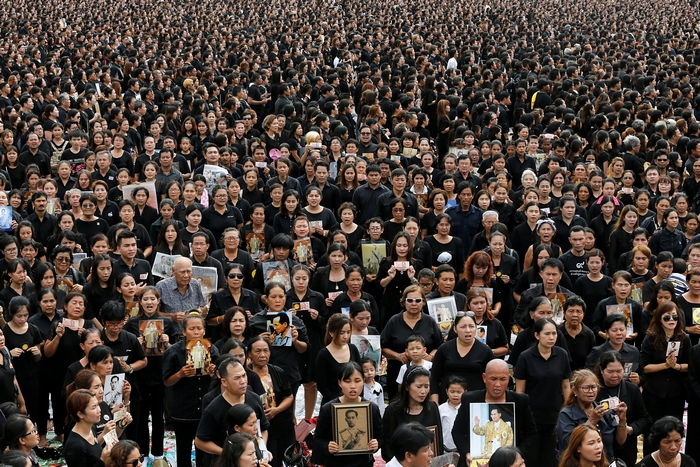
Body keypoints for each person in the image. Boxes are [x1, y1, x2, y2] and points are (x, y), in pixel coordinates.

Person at [162, 313, 219, 467]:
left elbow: (219, 379)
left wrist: (215, 372)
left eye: (199, 328)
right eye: (191, 328)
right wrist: (180, 374)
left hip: (206, 409)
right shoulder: (173, 352)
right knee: (183, 450)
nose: (196, 332)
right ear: (183, 331)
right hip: (183, 409)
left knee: (204, 451)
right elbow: (167, 381)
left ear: (204, 331)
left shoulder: (212, 349)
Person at [514, 318, 572, 467]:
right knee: (531, 457)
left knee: (549, 458)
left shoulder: (562, 355)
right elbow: (519, 391)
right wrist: (521, 415)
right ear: (537, 335)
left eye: (554, 333)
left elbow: (566, 385)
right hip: (532, 416)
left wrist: (567, 408)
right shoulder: (525, 357)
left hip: (554, 414)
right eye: (547, 334)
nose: (551, 337)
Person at [312, 362, 383, 467]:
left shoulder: (372, 408)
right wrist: (327, 447)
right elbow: (317, 439)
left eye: (357, 381)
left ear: (363, 381)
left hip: (363, 463)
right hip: (335, 463)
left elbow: (381, 436)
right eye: (347, 381)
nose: (353, 386)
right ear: (340, 383)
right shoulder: (328, 409)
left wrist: (376, 444)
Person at [640, 302, 691, 443]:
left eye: (674, 316)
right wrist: (665, 365)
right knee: (652, 430)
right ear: (659, 319)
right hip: (653, 391)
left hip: (676, 392)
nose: (671, 320)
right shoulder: (650, 338)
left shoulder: (684, 338)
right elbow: (644, 367)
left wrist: (676, 366)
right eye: (667, 317)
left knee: (674, 430)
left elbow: (690, 365)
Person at [381, 284, 442, 399]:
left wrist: (430, 356)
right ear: (403, 302)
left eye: (418, 300)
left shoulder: (430, 321)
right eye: (410, 300)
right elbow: (383, 347)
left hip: (425, 374)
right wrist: (397, 356)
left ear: (423, 302)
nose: (414, 304)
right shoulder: (394, 321)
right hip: (398, 371)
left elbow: (439, 345)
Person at [556, 369, 628, 463]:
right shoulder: (566, 414)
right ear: (575, 390)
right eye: (586, 388)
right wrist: (592, 421)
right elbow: (569, 444)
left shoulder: (603, 410)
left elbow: (620, 441)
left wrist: (622, 420)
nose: (591, 391)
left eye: (594, 387)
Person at [594, 351, 650, 467]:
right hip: (600, 447)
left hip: (626, 448)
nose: (615, 375)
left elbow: (645, 419)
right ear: (601, 370)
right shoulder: (594, 390)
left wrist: (630, 429)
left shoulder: (632, 389)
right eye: (610, 372)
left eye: (619, 371)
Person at [382, 365, 441, 462]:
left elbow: (437, 441)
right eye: (419, 386)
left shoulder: (432, 407)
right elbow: (387, 447)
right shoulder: (392, 410)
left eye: (426, 386)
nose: (423, 391)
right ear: (407, 387)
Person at [315, 313, 361, 403]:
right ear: (331, 332)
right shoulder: (323, 354)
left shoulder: (353, 349)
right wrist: (338, 401)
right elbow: (321, 385)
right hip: (332, 402)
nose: (346, 336)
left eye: (348, 332)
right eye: (342, 333)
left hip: (354, 400)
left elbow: (360, 375)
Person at [63, 389, 112, 467]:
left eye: (98, 405)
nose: (99, 410)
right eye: (93, 407)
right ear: (80, 414)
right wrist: (103, 460)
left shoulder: (91, 428)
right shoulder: (76, 446)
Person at [156, 257, 207, 323]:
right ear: (173, 271)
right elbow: (153, 313)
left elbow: (201, 306)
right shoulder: (162, 286)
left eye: (189, 271)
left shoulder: (195, 284)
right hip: (171, 330)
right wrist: (171, 316)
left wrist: (200, 311)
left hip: (191, 330)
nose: (186, 275)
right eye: (182, 272)